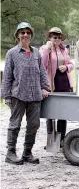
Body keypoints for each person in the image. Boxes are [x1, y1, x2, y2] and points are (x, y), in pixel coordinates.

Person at [1, 22, 50, 165]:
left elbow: (42, 72)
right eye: (22, 32)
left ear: (31, 35)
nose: (25, 35)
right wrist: (6, 95)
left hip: (35, 95)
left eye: (28, 32)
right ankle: (10, 153)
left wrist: (45, 87)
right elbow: (7, 76)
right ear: (17, 35)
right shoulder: (12, 53)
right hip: (18, 95)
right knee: (15, 124)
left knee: (34, 125)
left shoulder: (36, 53)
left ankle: (27, 153)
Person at [39, 27, 74, 147]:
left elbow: (71, 64)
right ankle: (51, 141)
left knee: (62, 113)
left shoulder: (64, 49)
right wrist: (47, 49)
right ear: (50, 38)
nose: (57, 39)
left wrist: (66, 67)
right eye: (54, 37)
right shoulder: (45, 49)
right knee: (51, 113)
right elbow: (41, 64)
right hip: (51, 83)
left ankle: (61, 140)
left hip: (64, 82)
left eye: (59, 37)